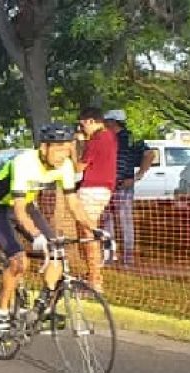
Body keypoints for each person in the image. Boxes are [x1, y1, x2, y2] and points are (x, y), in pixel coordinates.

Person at [0, 123, 104, 334]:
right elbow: (19, 212)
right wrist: (36, 236)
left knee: (57, 251)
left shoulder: (65, 166)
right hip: (0, 207)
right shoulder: (24, 163)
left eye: (67, 149)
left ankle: (41, 307)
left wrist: (96, 232)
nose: (62, 155)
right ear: (44, 148)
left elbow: (74, 204)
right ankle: (0, 311)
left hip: (27, 205)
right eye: (58, 149)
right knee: (19, 260)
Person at [102, 109, 152, 267]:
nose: (105, 124)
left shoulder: (131, 138)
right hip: (107, 185)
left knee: (123, 221)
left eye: (107, 121)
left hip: (122, 185)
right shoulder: (106, 137)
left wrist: (138, 176)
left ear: (113, 122)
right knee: (107, 221)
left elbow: (149, 154)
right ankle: (110, 255)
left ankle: (127, 257)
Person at [76, 107, 118, 292]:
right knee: (87, 231)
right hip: (104, 188)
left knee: (87, 233)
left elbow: (79, 167)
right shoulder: (109, 136)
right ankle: (92, 274)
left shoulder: (96, 139)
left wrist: (73, 148)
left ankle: (95, 278)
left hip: (91, 189)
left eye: (83, 124)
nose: (82, 128)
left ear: (91, 121)